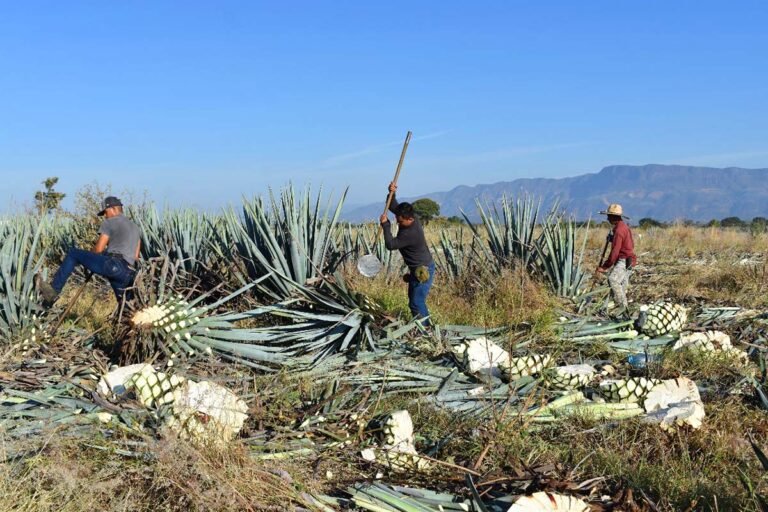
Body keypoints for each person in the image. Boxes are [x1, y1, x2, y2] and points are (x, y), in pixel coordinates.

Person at [38, 196, 141, 308]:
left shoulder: (110, 222)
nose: (105, 216)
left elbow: (98, 250)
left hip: (113, 266)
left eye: (106, 212)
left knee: (73, 253)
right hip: (128, 274)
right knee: (127, 307)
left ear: (114, 209)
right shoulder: (135, 227)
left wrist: (90, 258)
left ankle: (53, 291)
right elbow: (136, 256)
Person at [380, 182, 436, 326]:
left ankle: (427, 330)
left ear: (410, 219)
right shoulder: (410, 218)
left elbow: (390, 245)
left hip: (423, 270)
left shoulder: (411, 233)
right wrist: (391, 193)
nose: (398, 223)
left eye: (400, 222)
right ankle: (419, 326)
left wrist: (386, 226)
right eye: (397, 220)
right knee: (413, 302)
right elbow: (393, 207)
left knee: (417, 302)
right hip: (416, 269)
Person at [596, 203, 637, 317]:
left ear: (614, 217)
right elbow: (629, 243)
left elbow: (614, 252)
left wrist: (604, 266)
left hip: (624, 260)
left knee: (613, 280)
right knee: (621, 286)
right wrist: (612, 239)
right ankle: (616, 312)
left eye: (609, 216)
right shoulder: (623, 227)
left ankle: (624, 309)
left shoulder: (619, 230)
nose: (607, 218)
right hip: (630, 260)